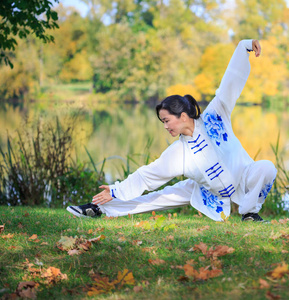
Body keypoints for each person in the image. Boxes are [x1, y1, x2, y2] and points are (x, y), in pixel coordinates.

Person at [67, 39, 277, 222]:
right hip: (207, 192)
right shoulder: (179, 153)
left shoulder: (215, 116)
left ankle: (249, 213)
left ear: (183, 116)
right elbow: (147, 176)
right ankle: (97, 209)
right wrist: (115, 190)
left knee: (267, 168)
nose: (166, 126)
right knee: (154, 199)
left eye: (167, 120)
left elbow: (229, 84)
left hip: (244, 178)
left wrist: (244, 47)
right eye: (162, 122)